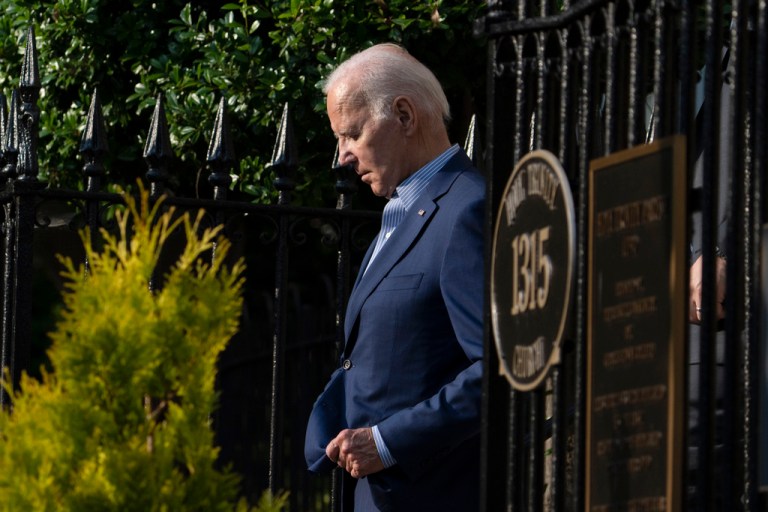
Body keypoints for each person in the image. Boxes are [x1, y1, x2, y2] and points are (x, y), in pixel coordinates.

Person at [304, 43, 485, 511]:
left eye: (351, 134)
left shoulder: (468, 209)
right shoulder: (401, 213)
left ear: (404, 116)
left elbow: (497, 370)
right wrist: (326, 422)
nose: (341, 157)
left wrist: (386, 443)